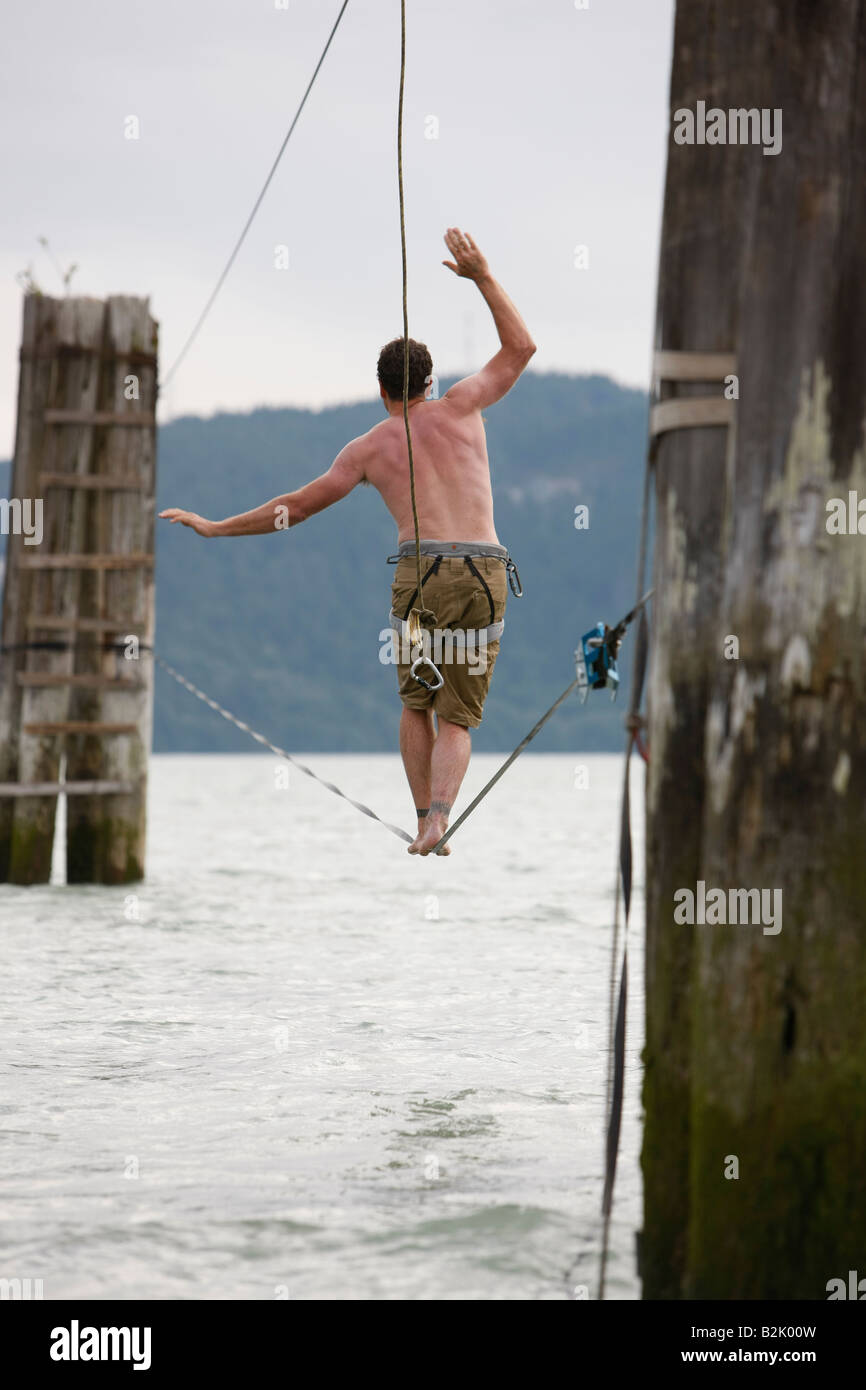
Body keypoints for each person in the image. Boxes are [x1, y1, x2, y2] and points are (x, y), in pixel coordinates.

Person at [161, 227, 536, 855]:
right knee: (459, 715)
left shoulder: (367, 449)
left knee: (418, 702)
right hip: (482, 573)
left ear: (383, 391)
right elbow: (520, 347)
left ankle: (421, 821)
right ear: (430, 383)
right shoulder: (466, 406)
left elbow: (296, 509)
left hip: (419, 578)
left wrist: (217, 526)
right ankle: (442, 818)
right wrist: (482, 276)